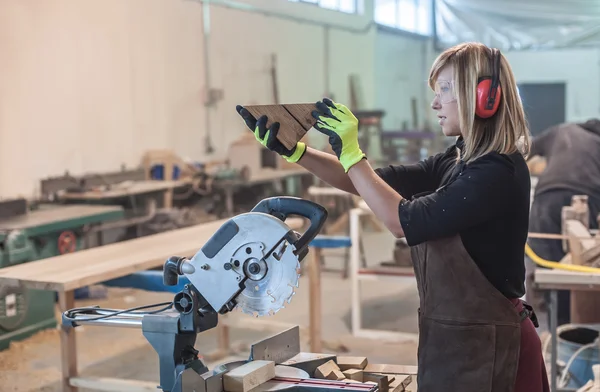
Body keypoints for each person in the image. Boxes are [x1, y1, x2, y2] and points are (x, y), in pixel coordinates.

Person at [236, 42, 549, 391]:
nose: (435, 103)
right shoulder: (457, 160)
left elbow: (402, 221)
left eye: (444, 90)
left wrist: (354, 152)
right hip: (455, 338)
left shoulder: (496, 171)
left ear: (483, 97)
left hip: (495, 348)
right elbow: (371, 181)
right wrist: (297, 151)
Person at [526, 119, 600, 326]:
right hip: (590, 199)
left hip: (547, 197)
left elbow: (523, 151)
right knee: (581, 268)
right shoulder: (596, 142)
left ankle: (548, 328)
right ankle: (573, 329)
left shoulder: (561, 130)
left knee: (544, 267)